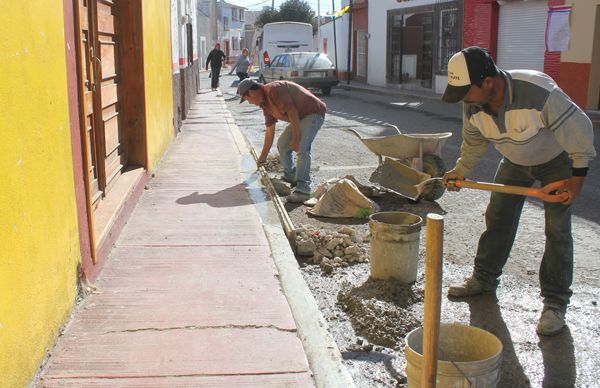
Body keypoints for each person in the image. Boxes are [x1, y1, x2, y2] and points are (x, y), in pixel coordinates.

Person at [441, 46, 596, 336]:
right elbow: (474, 143)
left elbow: (580, 130)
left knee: (558, 229)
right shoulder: (473, 104)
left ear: (488, 82)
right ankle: (484, 278)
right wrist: (460, 171)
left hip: (556, 160)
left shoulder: (537, 91)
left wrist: (575, 182)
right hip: (514, 159)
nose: (463, 98)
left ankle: (555, 303)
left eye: (466, 90)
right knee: (498, 216)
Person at [237, 78, 326, 203]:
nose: (250, 103)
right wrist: (262, 158)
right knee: (283, 145)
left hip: (313, 113)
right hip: (299, 118)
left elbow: (292, 111)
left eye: (248, 99)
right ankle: (291, 177)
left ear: (252, 92)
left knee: (302, 148)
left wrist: (296, 138)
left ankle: (303, 190)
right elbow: (269, 132)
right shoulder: (264, 105)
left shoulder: (273, 89)